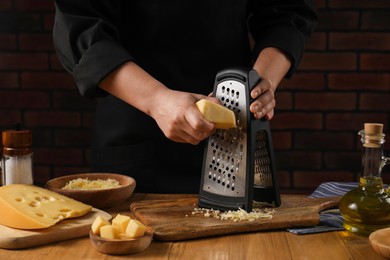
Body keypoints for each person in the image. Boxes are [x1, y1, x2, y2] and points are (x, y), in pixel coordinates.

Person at [53, 1, 318, 193]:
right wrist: (157, 100)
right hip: (135, 137)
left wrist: (260, 83)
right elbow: (81, 24)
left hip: (234, 132)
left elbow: (287, 11)